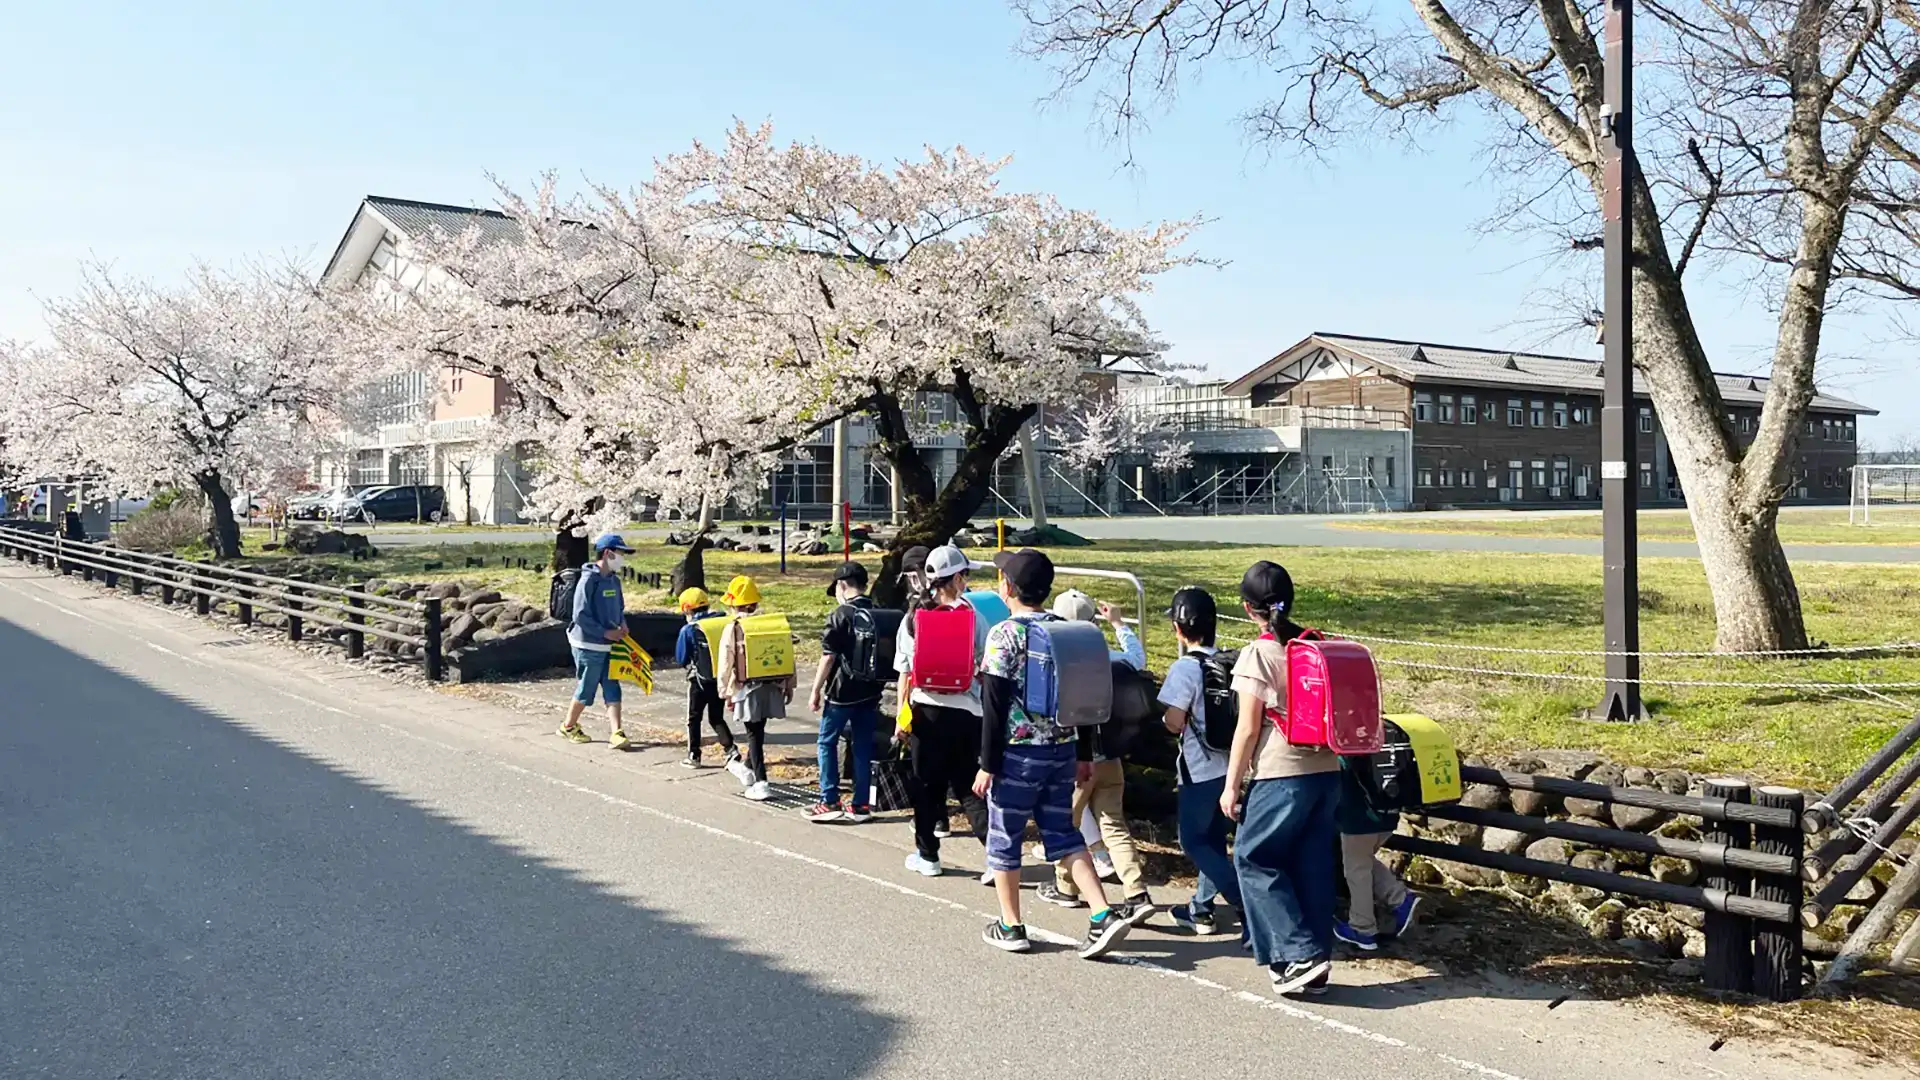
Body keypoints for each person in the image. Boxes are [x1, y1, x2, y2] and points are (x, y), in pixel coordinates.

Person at [975, 548, 1146, 956]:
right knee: (1064, 833)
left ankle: (1011, 924)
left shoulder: (1005, 634)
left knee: (1005, 838)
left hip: (1017, 754)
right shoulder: (1067, 631)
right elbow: (1083, 698)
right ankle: (1102, 913)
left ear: (1008, 588)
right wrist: (1083, 752)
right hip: (1062, 750)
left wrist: (986, 764)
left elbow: (993, 706)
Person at [1221, 559, 1342, 997]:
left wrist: (1232, 783)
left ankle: (1298, 954)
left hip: (1280, 772)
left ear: (1246, 607)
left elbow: (1248, 727)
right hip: (1327, 770)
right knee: (1312, 863)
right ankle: (1316, 959)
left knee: (1253, 858)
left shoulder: (1260, 653)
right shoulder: (1316, 646)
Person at [1035, 589, 1153, 913]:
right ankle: (1136, 891)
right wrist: (1119, 624)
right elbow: (1138, 658)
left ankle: (1066, 886)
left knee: (1065, 825)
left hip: (1076, 760)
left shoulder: (1057, 661)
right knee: (1113, 824)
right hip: (1110, 755)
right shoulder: (1111, 657)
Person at [892, 544, 990, 876]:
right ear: (959, 578)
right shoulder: (974, 615)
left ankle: (928, 855)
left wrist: (900, 717)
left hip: (926, 711)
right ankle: (996, 858)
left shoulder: (913, 617)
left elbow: (905, 671)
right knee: (967, 785)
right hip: (967, 711)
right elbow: (986, 663)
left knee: (926, 785)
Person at [1156, 586, 1243, 936]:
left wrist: (1162, 722)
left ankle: (1247, 904)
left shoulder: (1186, 668)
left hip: (1198, 768)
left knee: (1193, 840)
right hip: (1231, 766)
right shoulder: (1229, 663)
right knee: (1214, 841)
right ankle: (1201, 909)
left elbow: (1175, 721)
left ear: (1179, 628)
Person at [808, 562, 886, 824]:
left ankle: (829, 800)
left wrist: (816, 690)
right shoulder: (879, 611)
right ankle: (861, 805)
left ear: (842, 586)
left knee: (826, 742)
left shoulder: (841, 614)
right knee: (863, 745)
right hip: (872, 690)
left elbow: (828, 656)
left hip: (842, 692)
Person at [717, 574, 793, 802]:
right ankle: (748, 769)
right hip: (772, 685)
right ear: (755, 603)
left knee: (753, 734)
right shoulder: (772, 623)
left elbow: (725, 662)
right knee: (758, 732)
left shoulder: (734, 628)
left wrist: (724, 691)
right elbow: (788, 654)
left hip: (746, 687)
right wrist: (789, 684)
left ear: (733, 605)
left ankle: (761, 782)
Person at [559, 533, 636, 751]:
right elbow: (580, 615)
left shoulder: (613, 579)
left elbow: (619, 607)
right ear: (607, 553)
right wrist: (604, 633)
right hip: (588, 645)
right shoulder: (588, 580)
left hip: (609, 643)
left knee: (612, 685)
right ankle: (568, 725)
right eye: (620, 553)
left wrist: (622, 624)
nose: (622, 558)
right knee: (587, 688)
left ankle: (617, 732)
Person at [1334, 757, 1420, 950]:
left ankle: (1363, 928)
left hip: (1358, 818)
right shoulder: (1383, 736)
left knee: (1356, 871)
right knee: (1362, 862)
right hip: (1387, 813)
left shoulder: (1345, 744)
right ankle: (1399, 898)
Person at [673, 587, 740, 771]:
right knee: (716, 717)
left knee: (694, 718)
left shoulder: (689, 629)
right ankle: (730, 749)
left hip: (699, 680)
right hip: (720, 678)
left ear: (687, 609)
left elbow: (681, 658)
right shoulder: (722, 621)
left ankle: (694, 755)